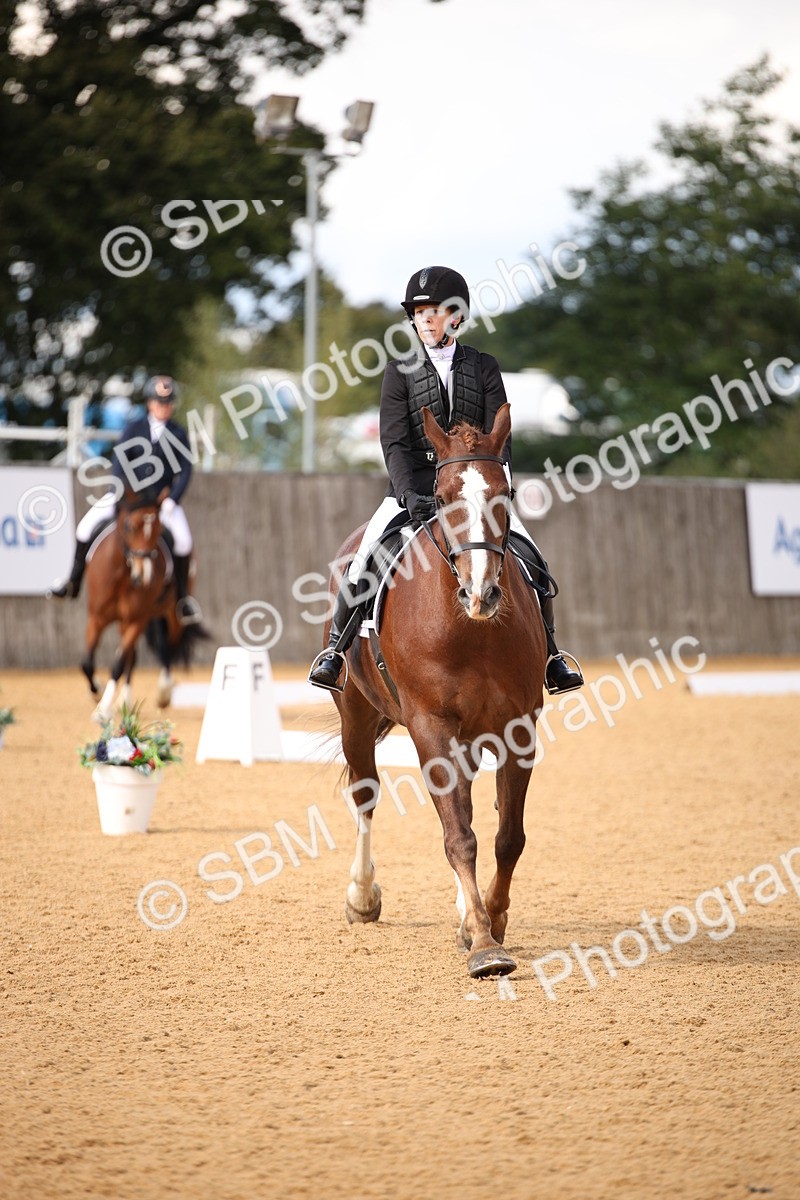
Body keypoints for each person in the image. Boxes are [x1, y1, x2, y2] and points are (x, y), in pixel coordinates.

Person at [308, 265, 583, 695]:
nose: (425, 321)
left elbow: (499, 438)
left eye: (434, 312)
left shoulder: (485, 367)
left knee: (534, 563)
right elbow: (394, 443)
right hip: (412, 490)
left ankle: (551, 655)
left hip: (477, 490)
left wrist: (497, 491)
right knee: (362, 561)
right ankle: (335, 651)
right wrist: (408, 496)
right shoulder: (399, 372)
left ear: (456, 316)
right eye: (419, 314)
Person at [49, 374, 202, 625]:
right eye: (159, 402)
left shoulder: (179, 433)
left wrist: (173, 499)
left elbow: (185, 470)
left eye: (168, 402)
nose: (164, 407)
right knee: (85, 526)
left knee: (184, 542)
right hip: (128, 498)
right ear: (150, 403)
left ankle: (183, 599)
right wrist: (120, 490)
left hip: (161, 502)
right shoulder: (134, 427)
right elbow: (120, 460)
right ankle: (72, 581)